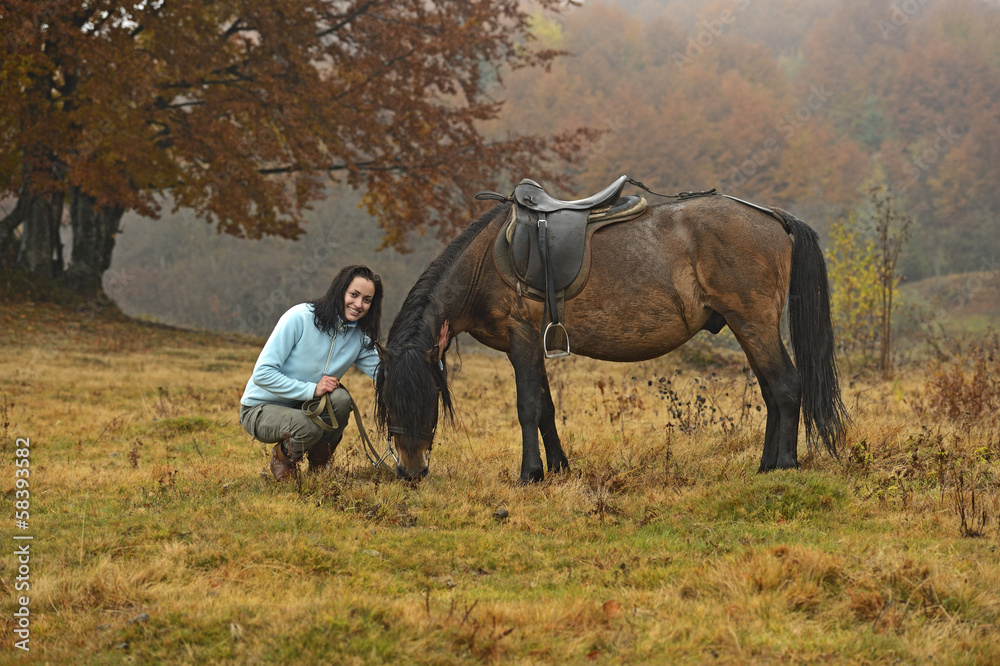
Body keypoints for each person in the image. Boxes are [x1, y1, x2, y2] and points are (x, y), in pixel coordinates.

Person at [239, 265, 383, 481]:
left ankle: (319, 466)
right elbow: (262, 373)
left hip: (302, 407)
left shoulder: (359, 337)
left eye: (367, 299)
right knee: (307, 427)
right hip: (259, 409)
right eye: (353, 295)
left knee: (341, 400)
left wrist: (434, 356)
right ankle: (283, 460)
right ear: (340, 291)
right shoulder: (300, 317)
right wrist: (311, 389)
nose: (358, 304)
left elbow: (388, 375)